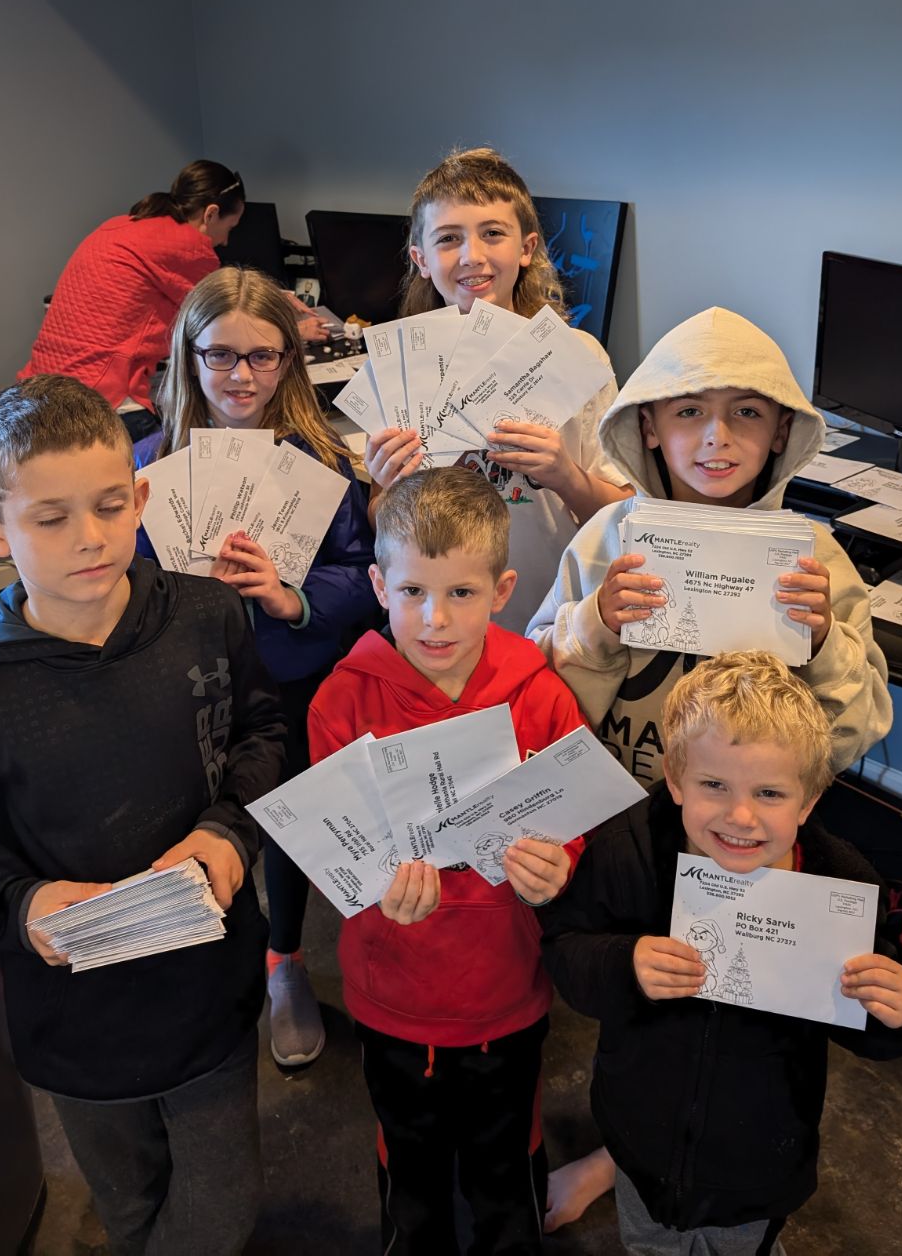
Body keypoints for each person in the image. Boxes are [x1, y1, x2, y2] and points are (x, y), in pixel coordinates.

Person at [527, 304, 894, 1227]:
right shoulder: (607, 541)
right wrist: (596, 626)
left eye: (745, 413)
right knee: (636, 993)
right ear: (647, 424)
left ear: (781, 433)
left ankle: (668, 1161)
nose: (716, 438)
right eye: (688, 411)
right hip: (629, 829)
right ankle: (626, 1146)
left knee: (729, 1025)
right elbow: (540, 713)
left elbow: (856, 731)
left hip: (748, 841)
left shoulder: (814, 556)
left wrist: (823, 645)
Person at [0, 375, 286, 1256]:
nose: (90, 538)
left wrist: (229, 827)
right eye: (50, 519)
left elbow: (264, 734)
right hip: (74, 1011)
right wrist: (22, 899)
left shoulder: (207, 617)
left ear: (141, 497)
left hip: (207, 982)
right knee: (127, 1195)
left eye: (111, 506)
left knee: (223, 1203)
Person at [541, 651, 902, 1256]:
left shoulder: (842, 884)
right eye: (713, 784)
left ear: (807, 801)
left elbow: (869, 1022)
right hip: (639, 1137)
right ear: (674, 778)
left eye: (770, 792)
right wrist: (626, 962)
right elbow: (567, 955)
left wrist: (901, 1011)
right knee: (649, 1246)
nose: (740, 816)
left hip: (760, 1159)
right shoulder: (628, 852)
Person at [308, 466, 588, 1256]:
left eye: (461, 594)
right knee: (414, 1179)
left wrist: (558, 863)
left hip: (508, 992)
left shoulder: (541, 696)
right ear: (376, 584)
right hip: (392, 995)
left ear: (502, 589)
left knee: (506, 1176)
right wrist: (369, 891)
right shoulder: (343, 701)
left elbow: (569, 815)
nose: (435, 621)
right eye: (412, 593)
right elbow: (339, 849)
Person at [134, 266, 377, 1070]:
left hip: (289, 674)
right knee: (192, 817)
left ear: (290, 361)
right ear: (188, 355)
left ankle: (285, 961)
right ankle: (195, 962)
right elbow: (114, 578)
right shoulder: (145, 466)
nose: (242, 376)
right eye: (221, 356)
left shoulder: (325, 464)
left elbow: (362, 570)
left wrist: (289, 596)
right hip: (181, 685)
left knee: (291, 820)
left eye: (264, 358)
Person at [364, 147, 631, 634]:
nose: (473, 256)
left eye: (492, 233)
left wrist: (564, 475)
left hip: (555, 619)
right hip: (443, 628)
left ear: (526, 249)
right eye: (449, 238)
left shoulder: (579, 357)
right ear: (420, 260)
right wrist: (386, 487)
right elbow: (383, 522)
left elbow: (626, 514)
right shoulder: (399, 368)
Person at [21, 160, 326, 442]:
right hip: (100, 395)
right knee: (168, 463)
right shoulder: (190, 248)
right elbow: (227, 329)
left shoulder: (125, 225)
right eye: (229, 228)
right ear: (210, 214)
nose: (225, 242)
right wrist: (296, 333)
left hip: (41, 390)